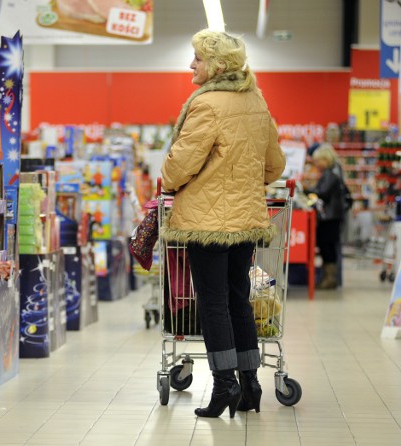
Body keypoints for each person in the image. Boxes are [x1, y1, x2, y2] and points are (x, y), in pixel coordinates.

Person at [160, 29, 286, 419]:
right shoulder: (256, 103)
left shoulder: (207, 105)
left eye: (196, 58)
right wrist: (244, 182)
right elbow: (275, 165)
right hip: (246, 220)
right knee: (238, 299)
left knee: (212, 302)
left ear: (215, 65)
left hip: (206, 221)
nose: (190, 65)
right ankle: (250, 384)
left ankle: (223, 385)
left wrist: (170, 178)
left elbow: (178, 167)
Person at [308, 143, 345, 289]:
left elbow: (322, 192)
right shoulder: (332, 172)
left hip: (329, 218)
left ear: (326, 159)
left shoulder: (331, 174)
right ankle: (328, 277)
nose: (317, 164)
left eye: (318, 161)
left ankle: (330, 278)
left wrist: (308, 191)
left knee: (327, 247)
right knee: (327, 247)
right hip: (330, 217)